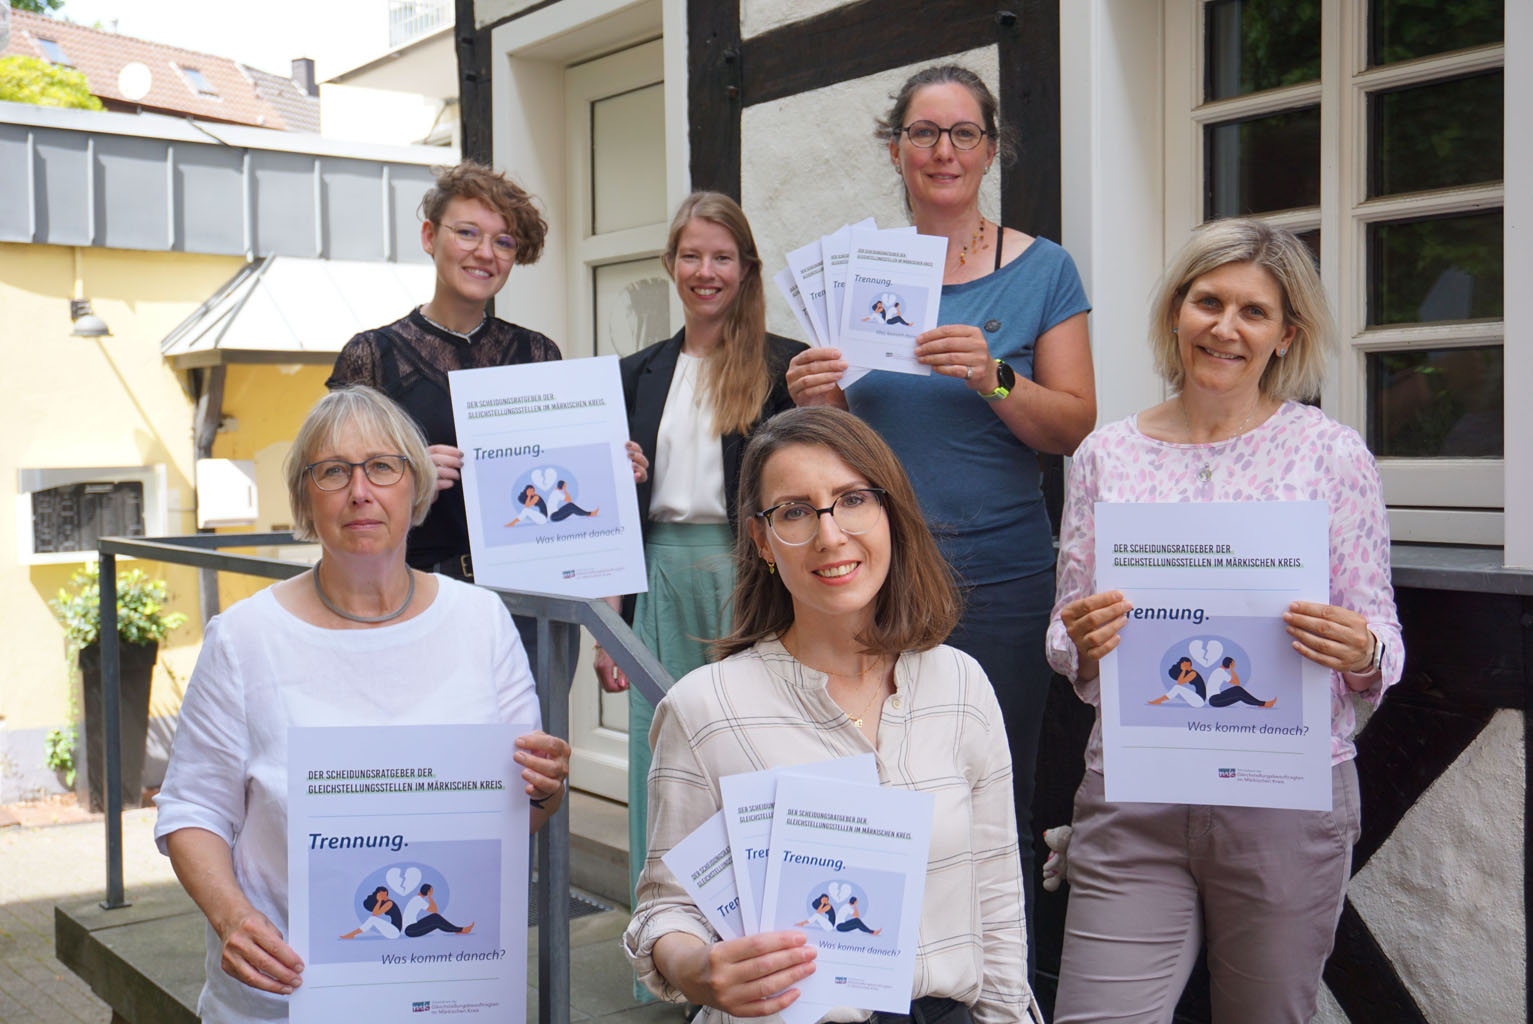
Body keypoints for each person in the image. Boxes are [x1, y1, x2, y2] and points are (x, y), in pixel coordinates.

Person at [1047, 218, 1402, 1023]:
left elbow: (1380, 636)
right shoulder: (1106, 455)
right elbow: (1064, 632)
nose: (1225, 328)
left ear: (1285, 335)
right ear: (1177, 311)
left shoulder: (1329, 453)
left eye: (1253, 311)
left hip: (1283, 798)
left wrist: (1360, 648)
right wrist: (1084, 642)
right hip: (1134, 792)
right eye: (1208, 301)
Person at [785, 64, 1097, 949]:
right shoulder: (856, 274)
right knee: (876, 787)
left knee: (993, 793)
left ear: (990, 151)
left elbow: (1073, 426)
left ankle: (996, 990)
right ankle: (886, 984)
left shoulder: (1042, 269)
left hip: (1000, 576)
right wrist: (816, 400)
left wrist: (994, 376)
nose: (943, 151)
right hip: (877, 578)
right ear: (895, 150)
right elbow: (838, 451)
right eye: (923, 133)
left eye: (964, 133)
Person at [154, 386, 571, 1022]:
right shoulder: (244, 638)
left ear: (416, 485)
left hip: (444, 997)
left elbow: (519, 815)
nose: (359, 491)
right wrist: (230, 916)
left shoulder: (482, 621)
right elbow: (192, 809)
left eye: (382, 467)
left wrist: (544, 789)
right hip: (283, 995)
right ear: (305, 497)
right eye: (332, 471)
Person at [623, 407, 1040, 1024]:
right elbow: (666, 909)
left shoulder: (961, 685)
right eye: (795, 511)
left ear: (891, 512)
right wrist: (699, 971)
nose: (830, 535)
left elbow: (998, 902)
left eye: (853, 500)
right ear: (761, 539)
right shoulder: (706, 708)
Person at [326, 161, 645, 657]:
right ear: (429, 236)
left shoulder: (538, 353)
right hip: (412, 596)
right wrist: (404, 473)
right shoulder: (372, 356)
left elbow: (563, 490)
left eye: (503, 241)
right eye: (467, 232)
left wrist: (610, 469)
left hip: (535, 604)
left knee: (535, 712)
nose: (484, 253)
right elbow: (330, 479)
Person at [593, 192, 805, 919]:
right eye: (691, 256)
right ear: (670, 264)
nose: (704, 271)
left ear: (746, 269)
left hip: (751, 580)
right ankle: (662, 939)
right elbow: (610, 512)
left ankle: (750, 933)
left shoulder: (784, 367)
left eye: (721, 257)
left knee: (748, 757)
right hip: (656, 580)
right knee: (660, 760)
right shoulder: (635, 373)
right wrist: (609, 625)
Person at [402, 883, 473, 938]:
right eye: (431, 891)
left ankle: (458, 930)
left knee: (435, 919)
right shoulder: (418, 900)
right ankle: (460, 930)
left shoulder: (417, 898)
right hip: (410, 930)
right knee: (436, 918)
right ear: (428, 891)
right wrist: (429, 897)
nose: (432, 893)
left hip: (412, 928)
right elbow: (435, 910)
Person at [1207, 656, 1274, 709]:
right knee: (1239, 694)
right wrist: (1232, 669)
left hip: (1216, 697)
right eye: (1233, 664)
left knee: (1237, 689)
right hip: (1214, 700)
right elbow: (1237, 682)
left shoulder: (1219, 671)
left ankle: (1261, 704)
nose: (1234, 666)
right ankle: (1263, 704)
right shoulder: (1221, 672)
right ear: (1230, 664)